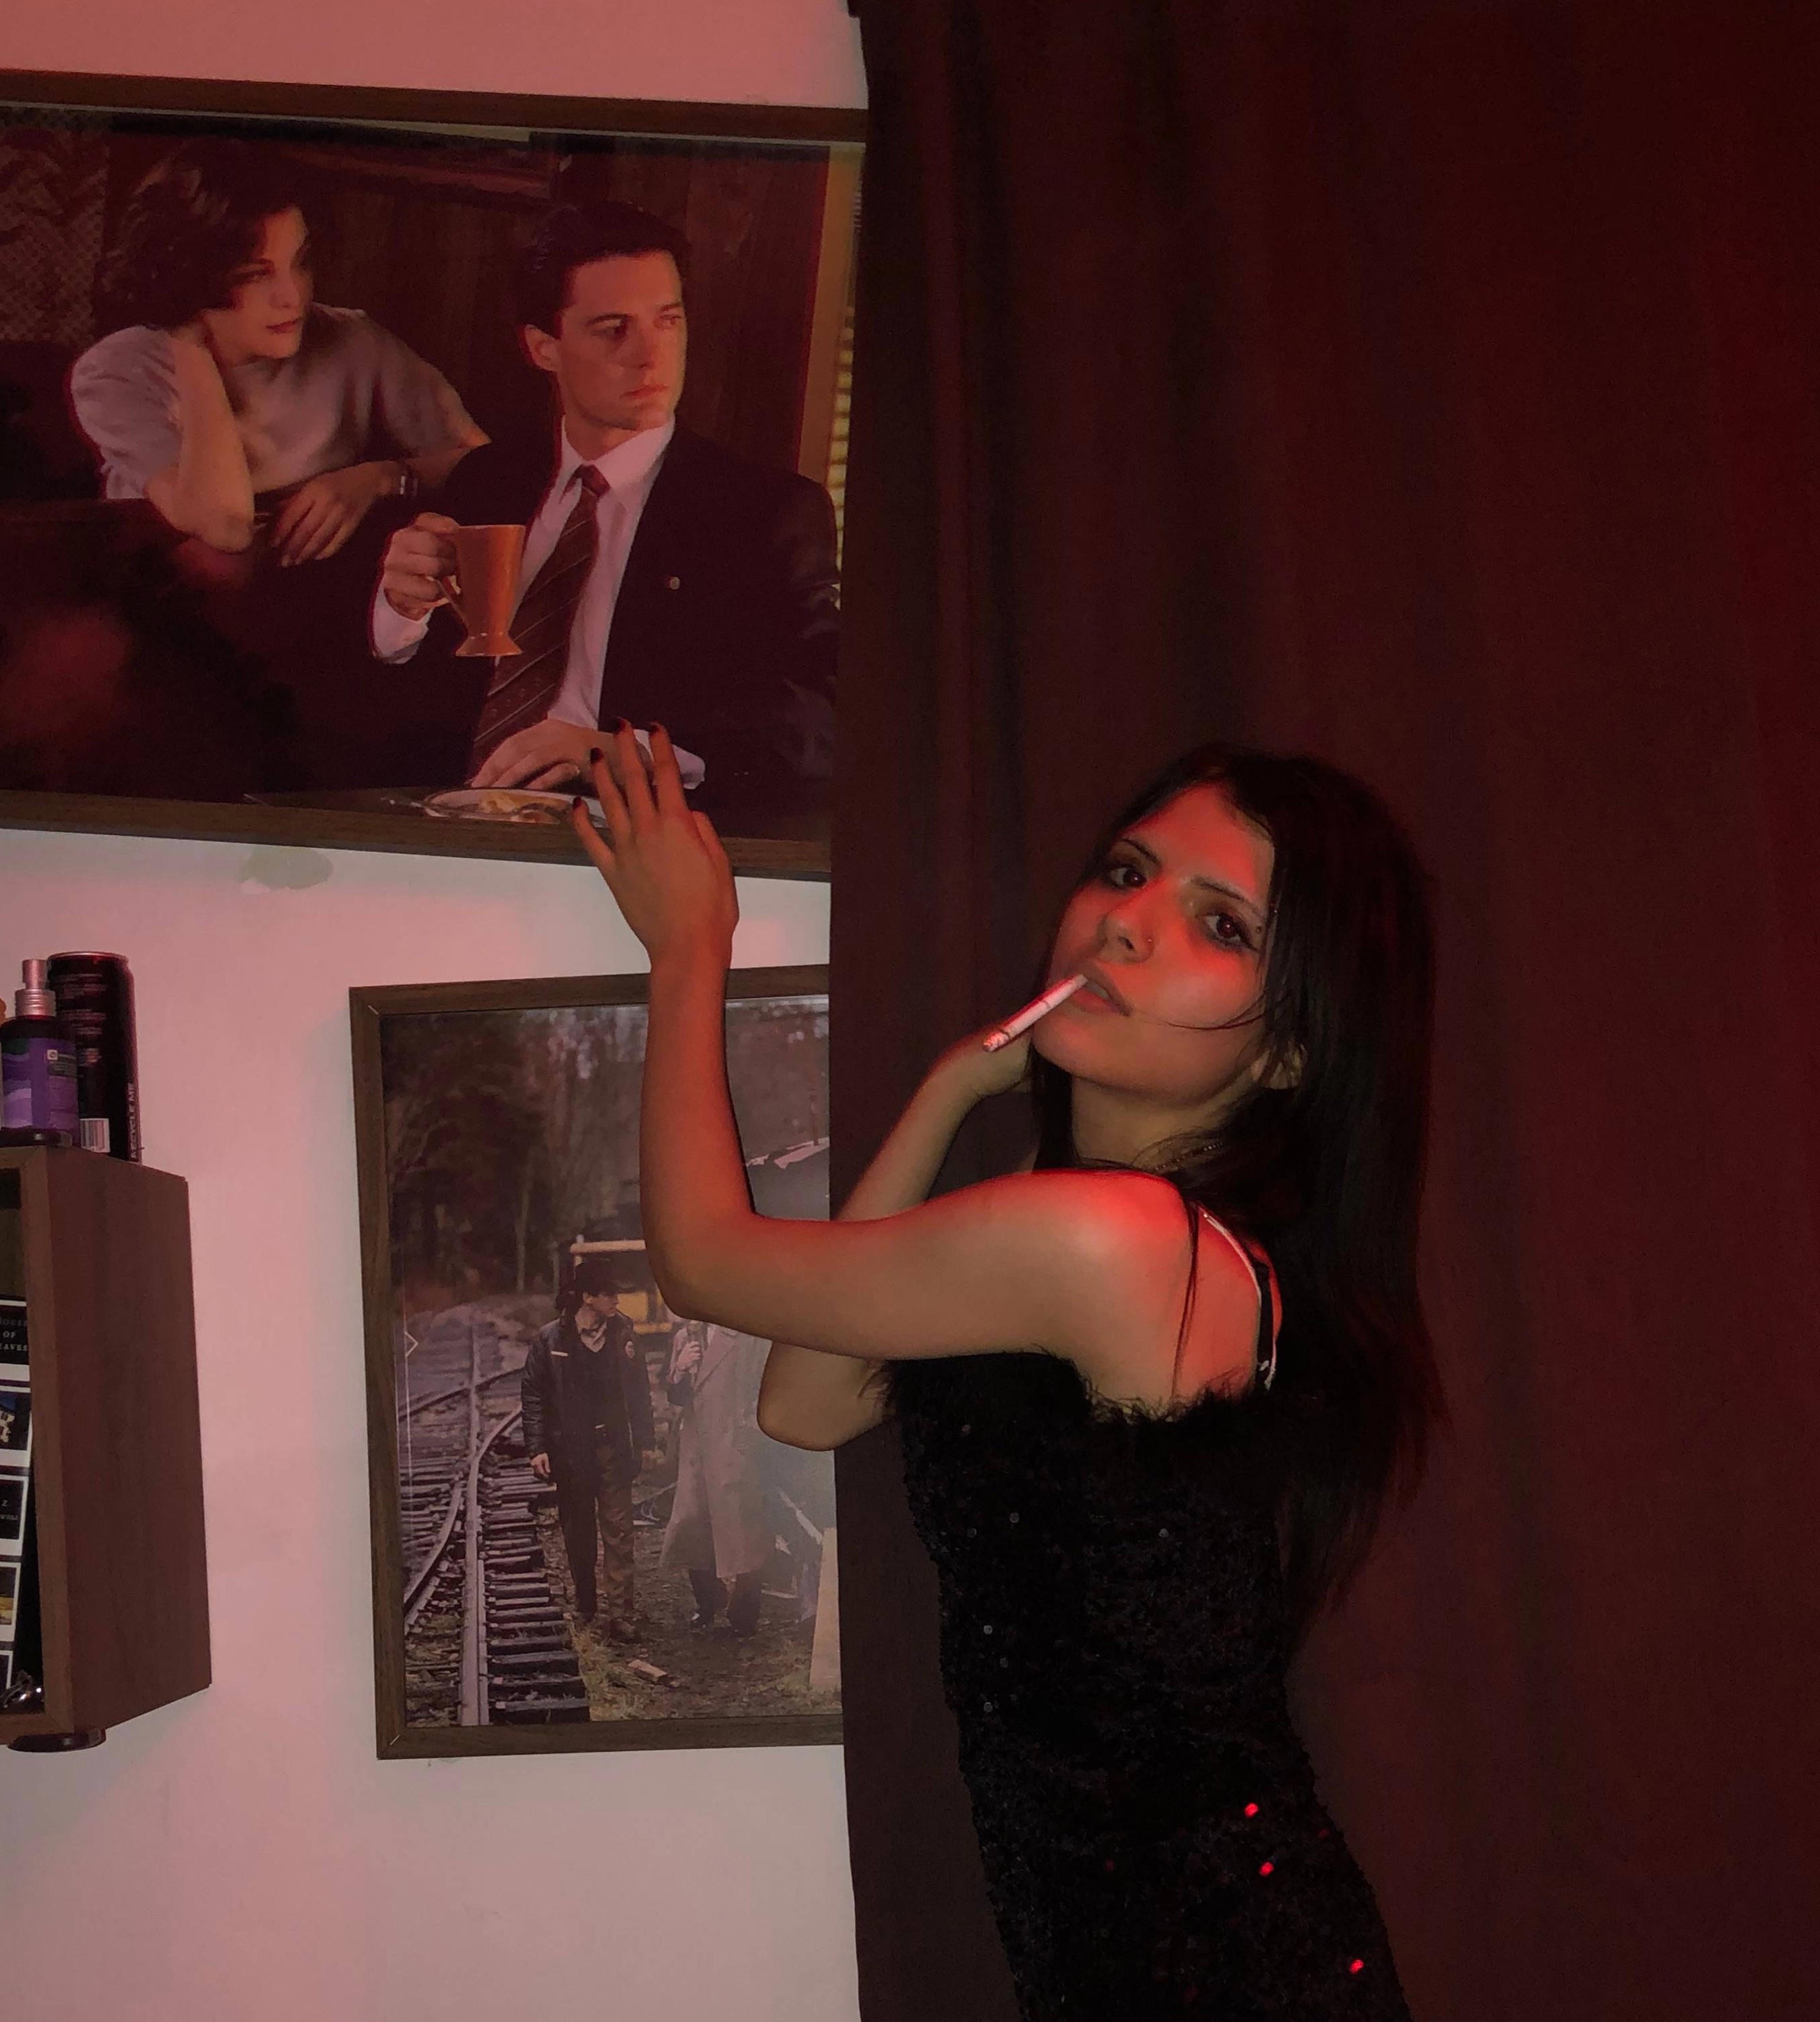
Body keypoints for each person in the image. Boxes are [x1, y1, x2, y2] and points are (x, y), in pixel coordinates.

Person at [570, 726, 1437, 2019]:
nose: (1127, 923)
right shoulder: (1101, 1224)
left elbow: (701, 1263)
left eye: (1221, 925)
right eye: (1128, 872)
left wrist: (688, 946)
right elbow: (807, 1404)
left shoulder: (1118, 1243)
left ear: (1289, 1053)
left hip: (1222, 1973)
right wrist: (943, 1095)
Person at [369, 201, 839, 814]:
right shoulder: (488, 479)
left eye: (667, 321)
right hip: (454, 819)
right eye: (614, 329)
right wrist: (399, 612)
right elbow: (396, 702)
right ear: (543, 347)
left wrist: (628, 753)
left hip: (629, 834)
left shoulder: (763, 513)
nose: (651, 355)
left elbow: (824, 718)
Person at [70, 139, 485, 563]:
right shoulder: (115, 372)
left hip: (319, 591)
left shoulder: (355, 342)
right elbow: (225, 526)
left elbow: (486, 464)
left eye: (301, 262)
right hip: (162, 590)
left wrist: (379, 479)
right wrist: (190, 344)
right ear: (192, 275)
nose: (293, 297)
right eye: (256, 275)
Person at [518, 1258, 659, 1641]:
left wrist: (646, 1441)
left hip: (615, 1448)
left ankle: (622, 1614)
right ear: (587, 1298)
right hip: (572, 1454)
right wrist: (537, 1448)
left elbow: (639, 1391)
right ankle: (586, 1607)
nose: (616, 1300)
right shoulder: (551, 1339)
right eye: (608, 1293)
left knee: (620, 1533)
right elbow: (534, 1395)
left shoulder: (623, 1333)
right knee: (579, 1534)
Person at [661, 1314, 770, 1634]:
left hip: (733, 1446)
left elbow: (761, 1389)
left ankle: (745, 1613)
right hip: (696, 1449)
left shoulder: (746, 1336)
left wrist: (747, 1437)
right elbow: (676, 1396)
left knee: (742, 1529)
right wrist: (680, 1370)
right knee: (692, 1524)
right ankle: (708, 1602)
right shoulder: (685, 1337)